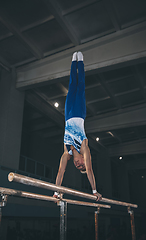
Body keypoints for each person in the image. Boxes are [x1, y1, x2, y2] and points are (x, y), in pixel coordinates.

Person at [53, 52, 102, 201]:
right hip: (79, 113)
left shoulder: (66, 152)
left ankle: (73, 63)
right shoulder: (84, 147)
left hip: (68, 115)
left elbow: (60, 172)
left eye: (78, 167)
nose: (78, 164)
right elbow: (90, 170)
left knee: (71, 86)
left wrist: (56, 192)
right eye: (82, 165)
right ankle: (80, 62)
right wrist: (94, 190)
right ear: (84, 160)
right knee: (80, 86)